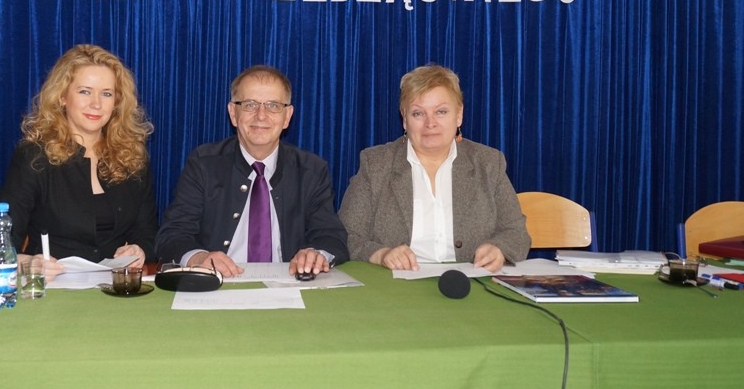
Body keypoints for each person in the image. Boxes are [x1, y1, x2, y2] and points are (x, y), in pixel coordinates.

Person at [0, 45, 157, 279]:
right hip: (53, 288)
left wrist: (139, 249)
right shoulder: (34, 157)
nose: (96, 104)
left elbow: (148, 233)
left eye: (106, 94)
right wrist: (28, 264)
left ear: (117, 103)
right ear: (62, 97)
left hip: (115, 289)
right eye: (85, 92)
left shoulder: (132, 157)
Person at [155, 65, 349, 278]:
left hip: (289, 285)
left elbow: (331, 237)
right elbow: (172, 235)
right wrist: (198, 257)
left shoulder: (311, 170)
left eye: (273, 106)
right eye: (250, 105)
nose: (261, 116)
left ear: (287, 116)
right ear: (233, 113)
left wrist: (315, 254)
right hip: (219, 285)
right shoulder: (203, 165)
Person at [339, 64, 530, 273]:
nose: (430, 123)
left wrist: (498, 248)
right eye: (418, 113)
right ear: (404, 119)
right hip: (394, 284)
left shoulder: (488, 163)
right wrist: (381, 254)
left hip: (469, 283)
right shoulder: (376, 164)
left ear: (459, 115)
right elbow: (346, 235)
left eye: (441, 112)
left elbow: (517, 233)